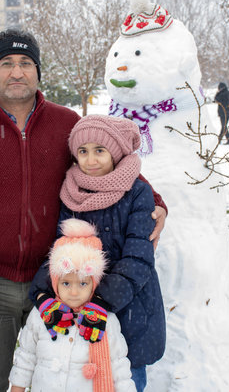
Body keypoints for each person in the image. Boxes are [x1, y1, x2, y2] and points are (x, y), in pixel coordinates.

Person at [0, 28, 168, 392]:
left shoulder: (66, 123)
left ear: (38, 71)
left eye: (26, 63)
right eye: (7, 63)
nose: (17, 72)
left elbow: (109, 164)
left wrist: (154, 200)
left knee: (60, 380)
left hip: (62, 283)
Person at [30, 115, 166, 392]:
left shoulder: (138, 192)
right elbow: (62, 249)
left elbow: (138, 256)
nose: (90, 160)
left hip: (130, 306)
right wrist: (42, 293)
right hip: (78, 302)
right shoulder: (72, 192)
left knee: (125, 374)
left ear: (115, 152)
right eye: (83, 151)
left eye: (99, 151)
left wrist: (102, 301)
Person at [9, 218, 136, 392]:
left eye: (82, 284)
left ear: (94, 284)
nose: (74, 292)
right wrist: (17, 387)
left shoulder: (105, 320)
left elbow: (119, 365)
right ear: (55, 283)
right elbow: (26, 356)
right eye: (66, 284)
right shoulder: (41, 315)